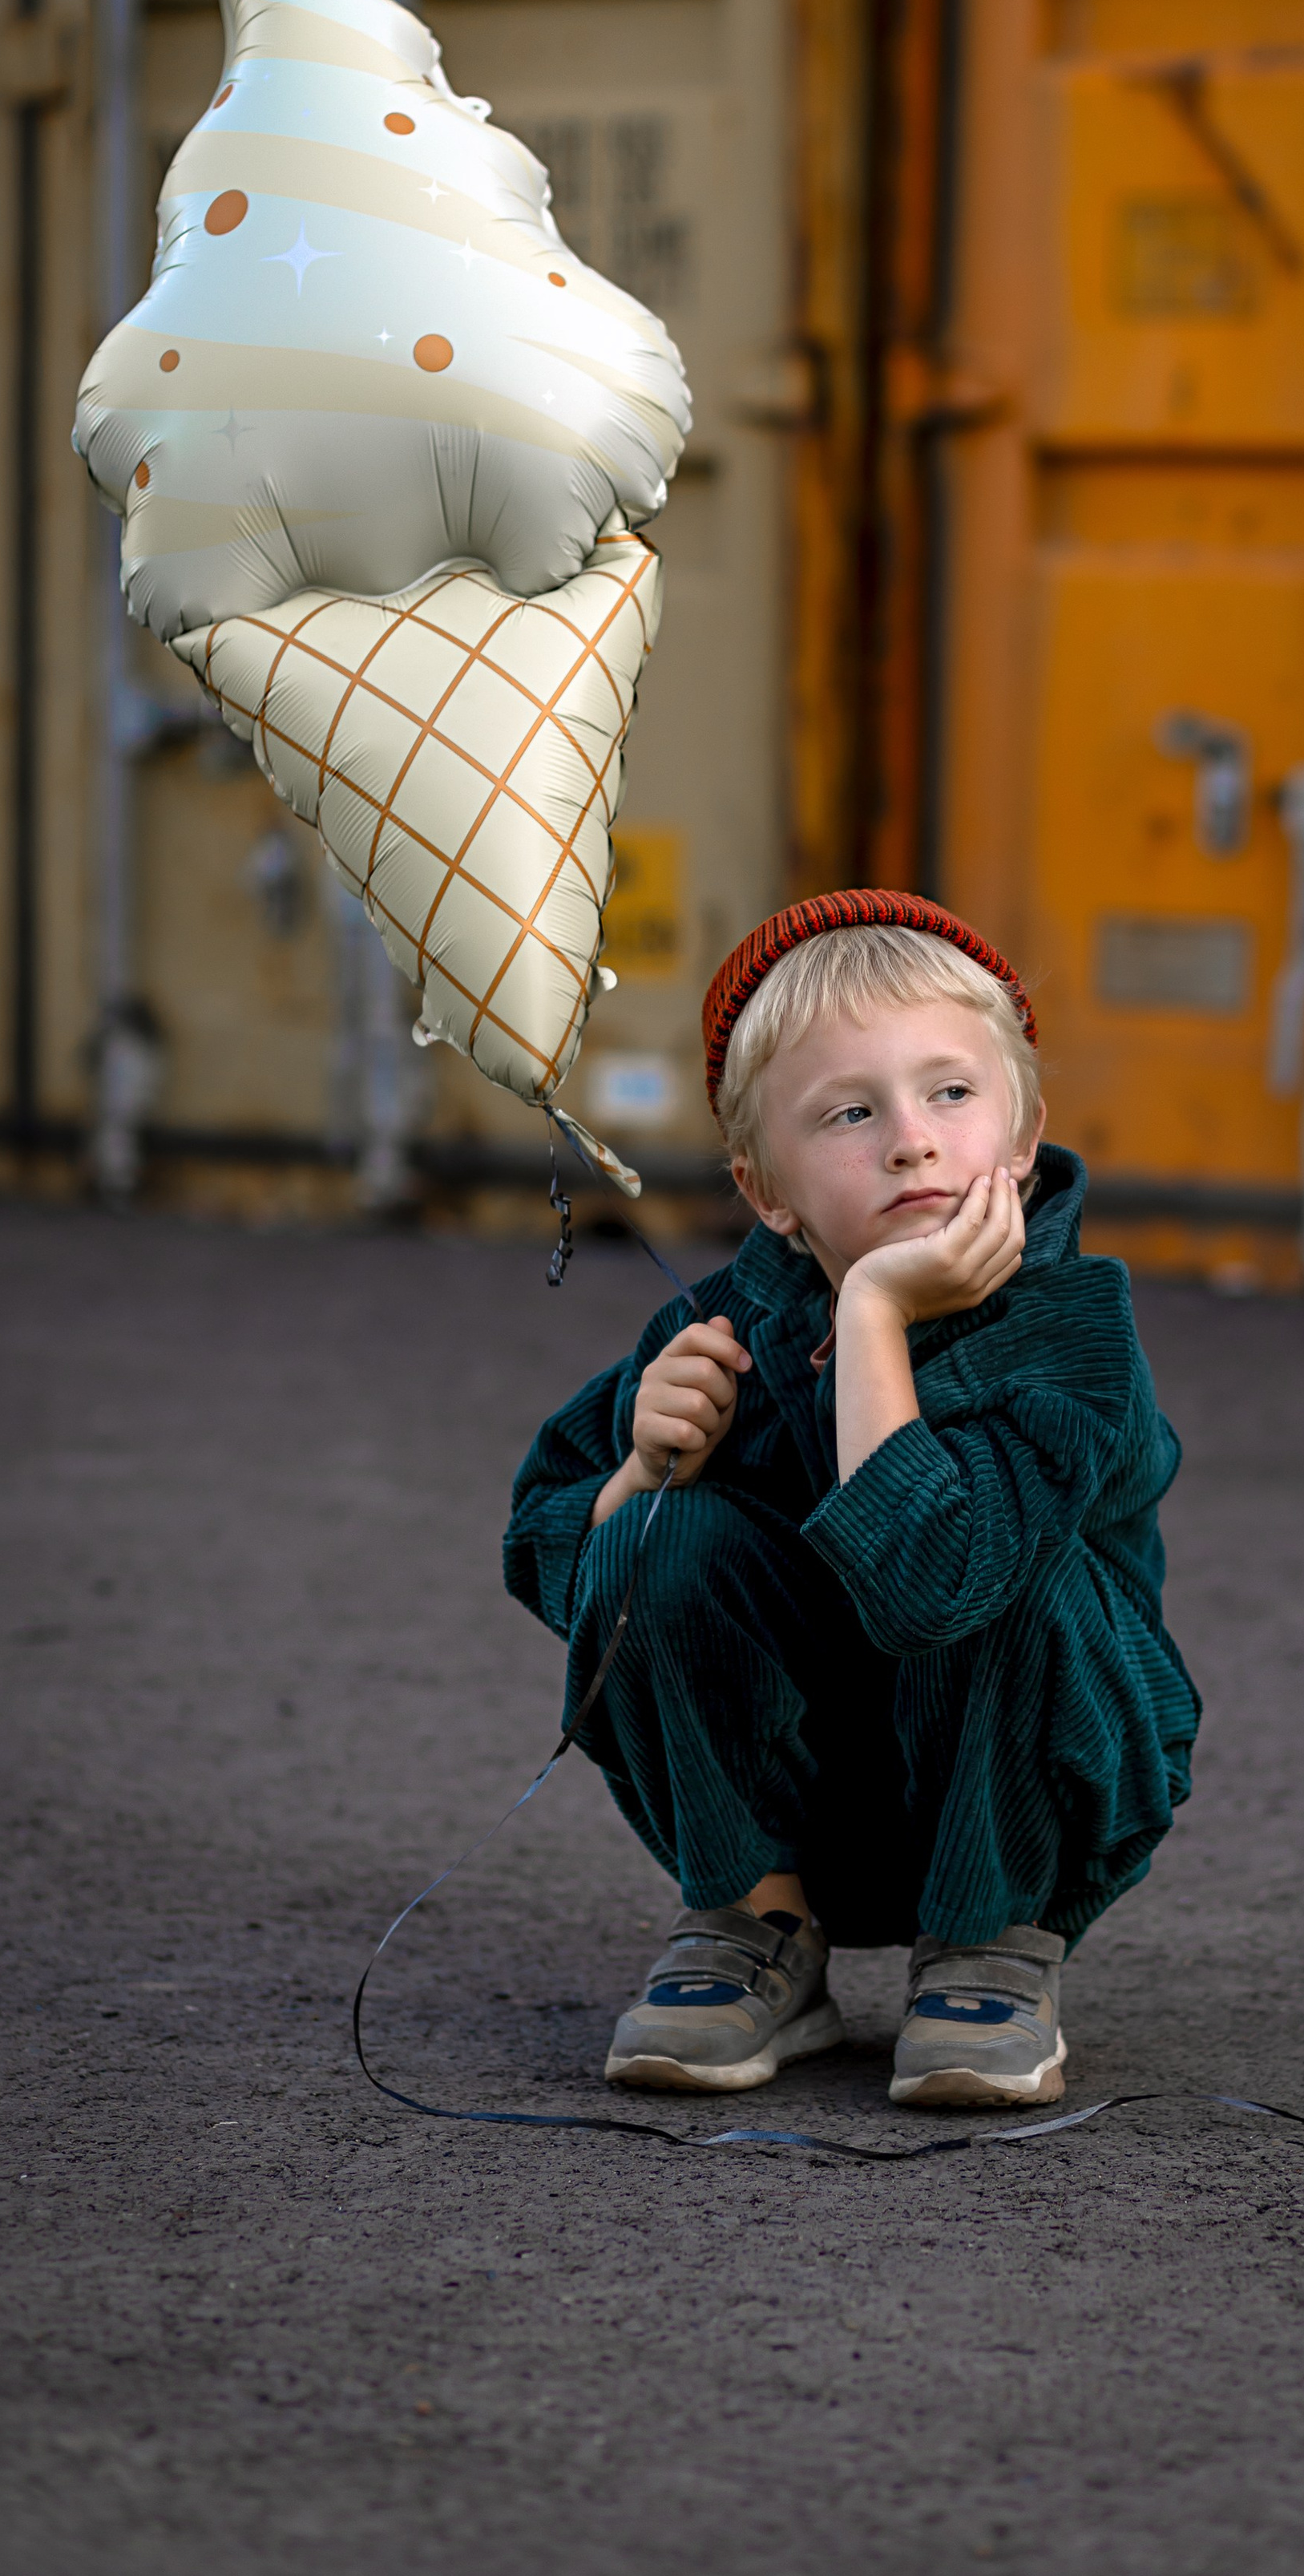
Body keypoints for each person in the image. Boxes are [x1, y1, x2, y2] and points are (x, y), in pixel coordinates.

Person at [503, 888, 1199, 2109]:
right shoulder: (724, 1325)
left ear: (1024, 1142)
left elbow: (937, 1581)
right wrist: (641, 1470)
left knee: (1016, 1571)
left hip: (1014, 1792)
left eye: (950, 1093)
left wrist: (874, 1310)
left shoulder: (1076, 1334)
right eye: (848, 1113)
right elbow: (554, 1562)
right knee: (669, 1540)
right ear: (765, 1190)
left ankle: (990, 1947)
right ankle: (757, 1928)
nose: (911, 1140)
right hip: (808, 1796)